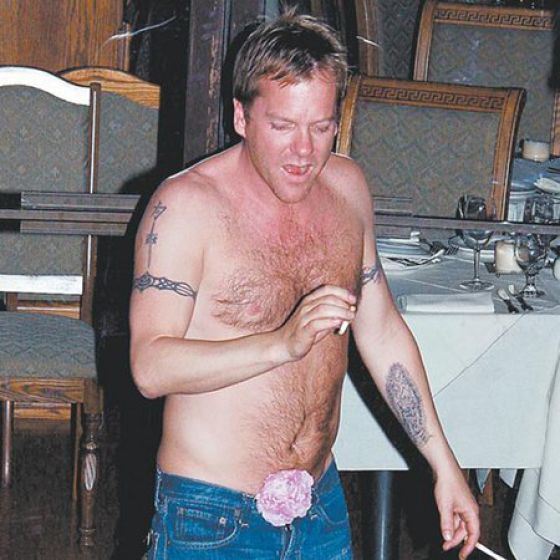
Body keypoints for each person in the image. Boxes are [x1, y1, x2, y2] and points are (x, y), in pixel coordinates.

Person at [129, 10, 480, 560]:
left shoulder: (347, 188)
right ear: (241, 116)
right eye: (283, 126)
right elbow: (150, 367)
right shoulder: (186, 207)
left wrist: (444, 465)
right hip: (211, 517)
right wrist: (280, 343)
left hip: (319, 509)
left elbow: (382, 332)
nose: (303, 152)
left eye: (320, 127)